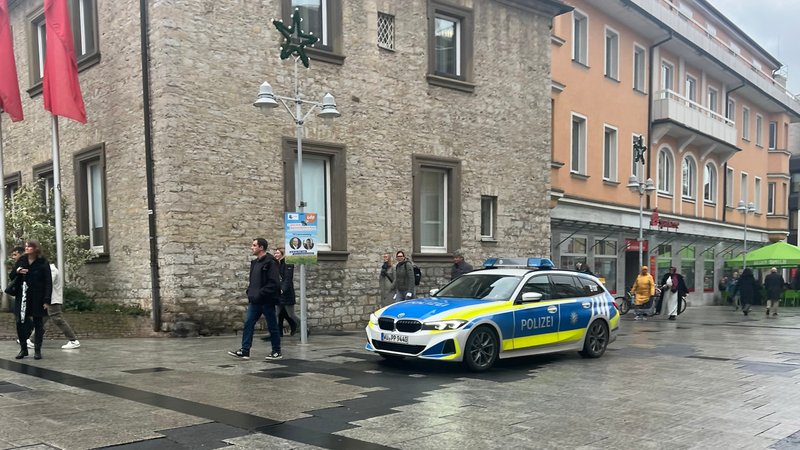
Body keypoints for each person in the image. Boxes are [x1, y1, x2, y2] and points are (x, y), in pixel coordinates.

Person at [228, 238, 282, 360]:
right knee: (248, 324)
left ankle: (276, 351)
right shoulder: (255, 263)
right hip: (255, 301)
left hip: (267, 301)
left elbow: (273, 283)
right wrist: (250, 292)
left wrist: (260, 293)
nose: (251, 247)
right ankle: (245, 350)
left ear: (261, 247)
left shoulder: (271, 262)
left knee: (272, 326)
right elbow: (253, 281)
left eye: (254, 245)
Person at [10, 240, 52, 360]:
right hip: (22, 296)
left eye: (29, 246)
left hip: (38, 297)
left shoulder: (43, 262)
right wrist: (18, 271)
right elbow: (11, 275)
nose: (27, 248)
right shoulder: (22, 260)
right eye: (26, 246)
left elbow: (48, 282)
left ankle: (37, 350)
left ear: (36, 248)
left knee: (38, 323)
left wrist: (47, 300)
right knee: (20, 322)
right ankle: (23, 349)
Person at [274, 246, 300, 335]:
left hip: (287, 294)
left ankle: (304, 327)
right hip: (279, 294)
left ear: (282, 254)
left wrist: (282, 289)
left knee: (291, 315)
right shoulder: (278, 264)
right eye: (275, 253)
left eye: (277, 253)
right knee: (276, 313)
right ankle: (275, 333)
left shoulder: (288, 263)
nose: (275, 255)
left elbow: (288, 279)